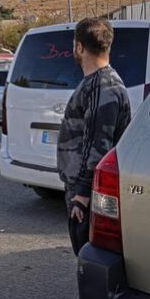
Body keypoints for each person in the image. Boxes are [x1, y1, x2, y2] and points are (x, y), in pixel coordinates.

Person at [57, 17, 131, 255]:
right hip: (85, 188)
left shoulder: (103, 86)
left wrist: (81, 194)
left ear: (79, 47)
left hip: (89, 194)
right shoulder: (96, 83)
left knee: (90, 258)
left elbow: (98, 144)